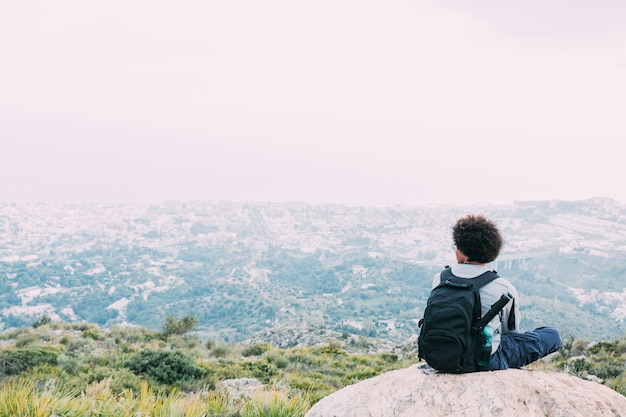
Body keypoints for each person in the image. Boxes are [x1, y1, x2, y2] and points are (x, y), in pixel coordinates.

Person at [432, 214, 562, 370]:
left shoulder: (440, 278)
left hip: (438, 356)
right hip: (485, 361)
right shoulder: (503, 287)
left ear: (462, 251)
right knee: (551, 335)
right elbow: (510, 332)